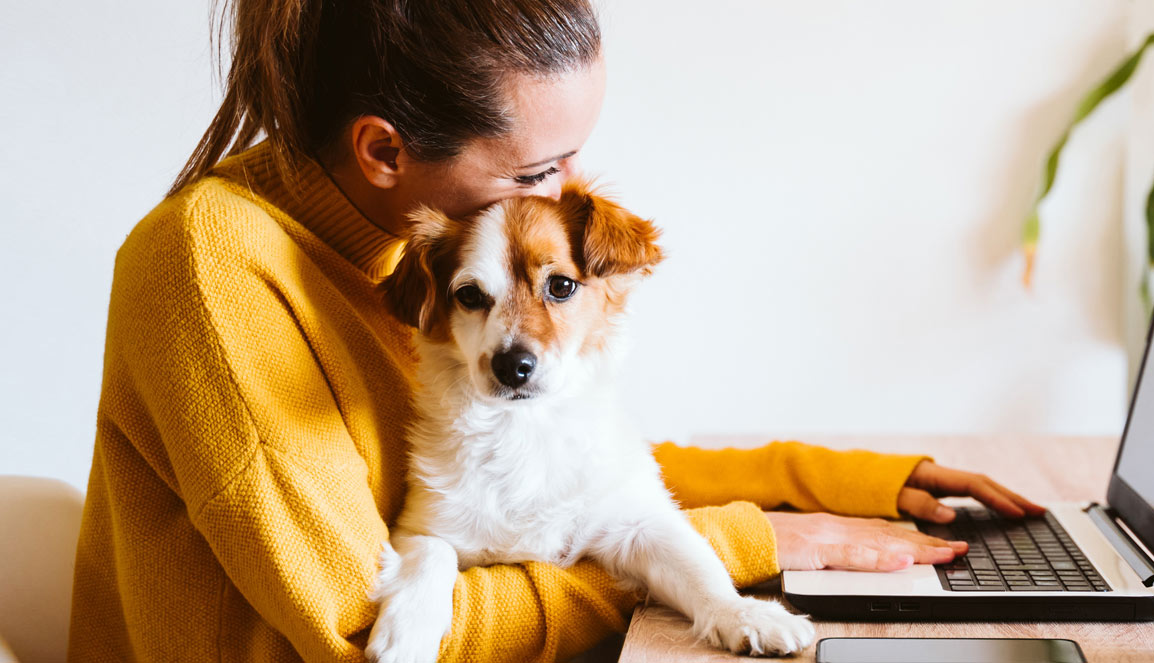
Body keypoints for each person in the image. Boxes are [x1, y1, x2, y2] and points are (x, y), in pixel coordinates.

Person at [67, 0, 1047, 660]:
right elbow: (355, 624)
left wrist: (852, 486)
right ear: (383, 151)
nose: (564, 201)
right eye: (540, 172)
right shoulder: (212, 268)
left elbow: (552, 471)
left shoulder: (403, 262)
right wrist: (734, 553)